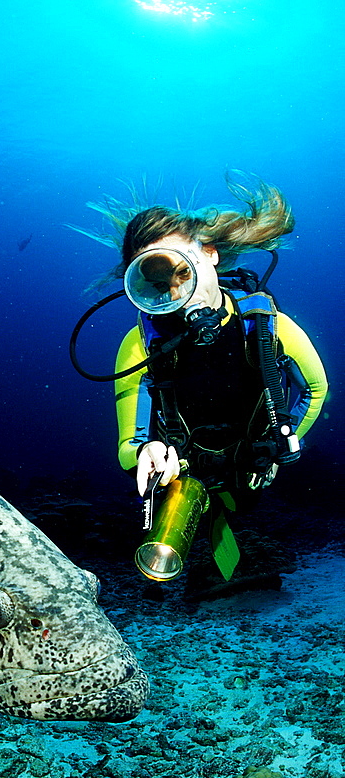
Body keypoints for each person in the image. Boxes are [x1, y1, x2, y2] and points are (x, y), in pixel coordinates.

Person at [82, 175, 328, 577]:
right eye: (159, 285)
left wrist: (280, 445)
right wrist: (144, 453)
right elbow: (129, 443)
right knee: (187, 521)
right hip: (185, 471)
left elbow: (315, 389)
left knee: (244, 504)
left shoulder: (267, 326)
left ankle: (223, 520)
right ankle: (210, 522)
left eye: (184, 271)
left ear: (210, 253)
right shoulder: (139, 344)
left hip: (252, 465)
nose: (179, 294)